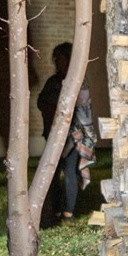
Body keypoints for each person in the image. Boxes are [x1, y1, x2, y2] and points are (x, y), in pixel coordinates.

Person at [35, 42, 96, 222]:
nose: (57, 63)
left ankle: (68, 212)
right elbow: (42, 101)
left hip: (72, 135)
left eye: (59, 59)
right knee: (52, 173)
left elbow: (80, 107)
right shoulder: (53, 82)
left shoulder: (77, 81)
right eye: (55, 59)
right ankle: (53, 210)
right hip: (54, 134)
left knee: (69, 169)